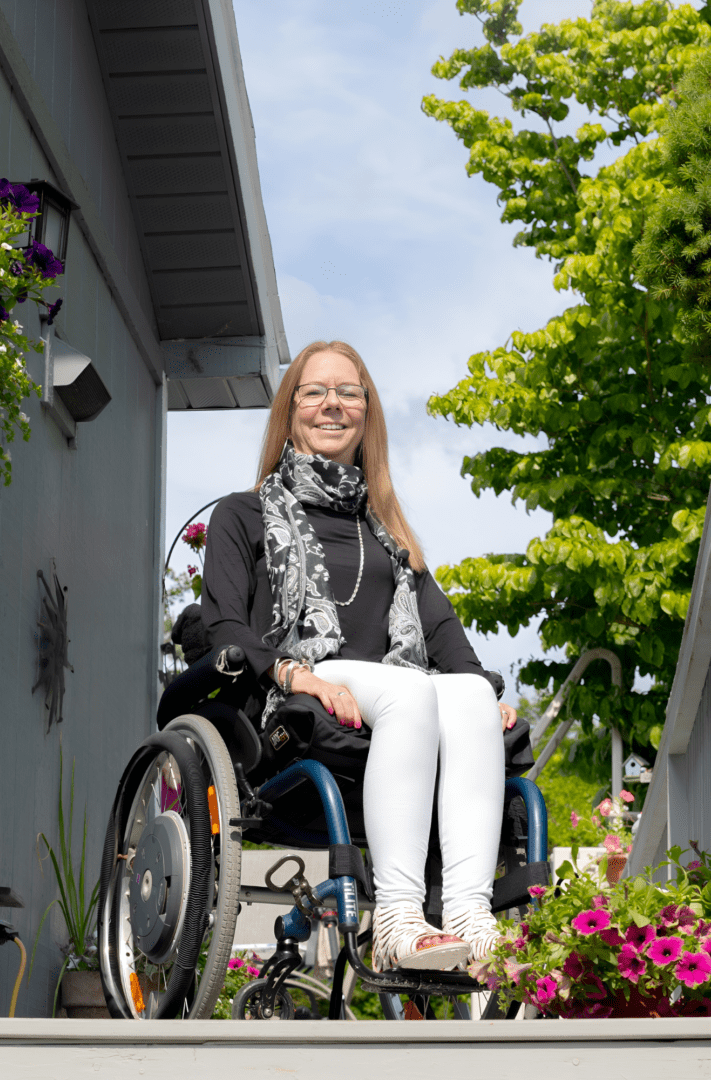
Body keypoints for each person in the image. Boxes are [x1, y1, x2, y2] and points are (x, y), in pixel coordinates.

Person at [201, 340, 519, 972]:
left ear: (367, 412)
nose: (332, 406)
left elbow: (445, 635)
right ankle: (399, 918)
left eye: (348, 393)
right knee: (412, 690)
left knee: (467, 692)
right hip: (297, 691)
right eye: (315, 391)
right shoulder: (244, 515)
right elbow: (224, 624)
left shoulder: (388, 533)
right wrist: (293, 672)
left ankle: (467, 914)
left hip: (396, 700)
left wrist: (486, 695)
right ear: (289, 410)